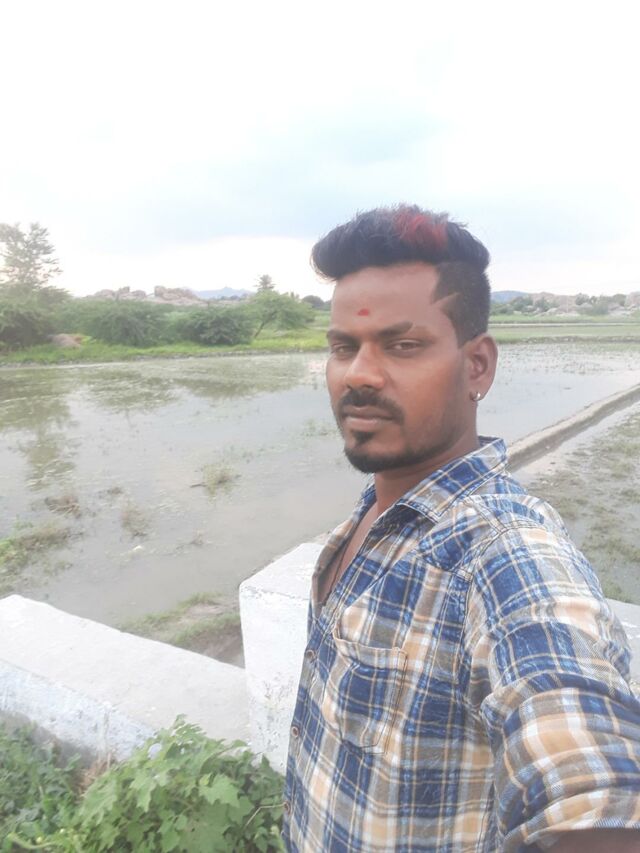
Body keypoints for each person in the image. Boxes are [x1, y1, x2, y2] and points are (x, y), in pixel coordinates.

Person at [282, 205, 640, 852]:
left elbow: (586, 780)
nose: (358, 374)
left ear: (477, 366)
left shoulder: (503, 551)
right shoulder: (376, 513)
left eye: (403, 345)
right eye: (343, 347)